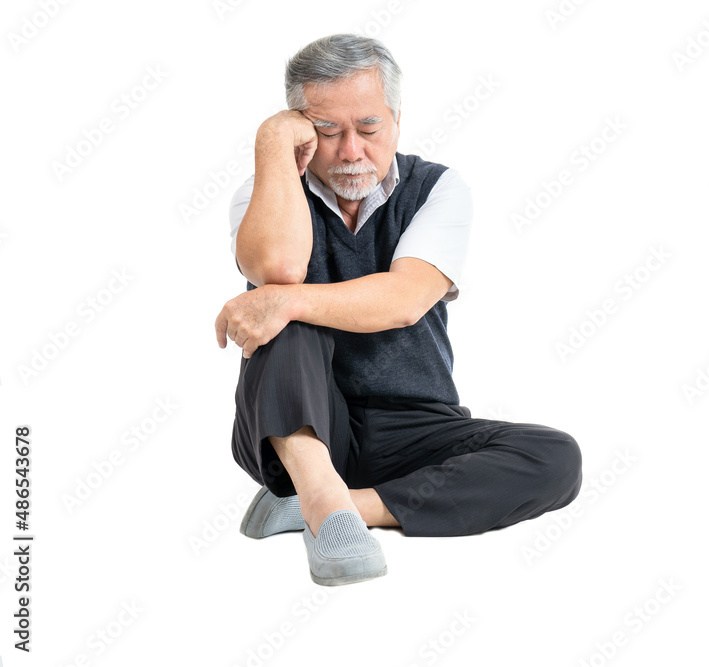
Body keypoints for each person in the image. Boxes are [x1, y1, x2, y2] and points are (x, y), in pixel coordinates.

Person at [214, 33, 582, 587]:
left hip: (417, 427)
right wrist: (271, 142)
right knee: (283, 316)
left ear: (397, 121)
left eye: (368, 128)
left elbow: (405, 300)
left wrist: (285, 300)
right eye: (326, 131)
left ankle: (334, 505)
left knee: (555, 458)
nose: (350, 152)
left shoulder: (437, 188)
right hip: (299, 429)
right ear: (298, 126)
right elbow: (280, 270)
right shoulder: (266, 192)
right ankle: (322, 500)